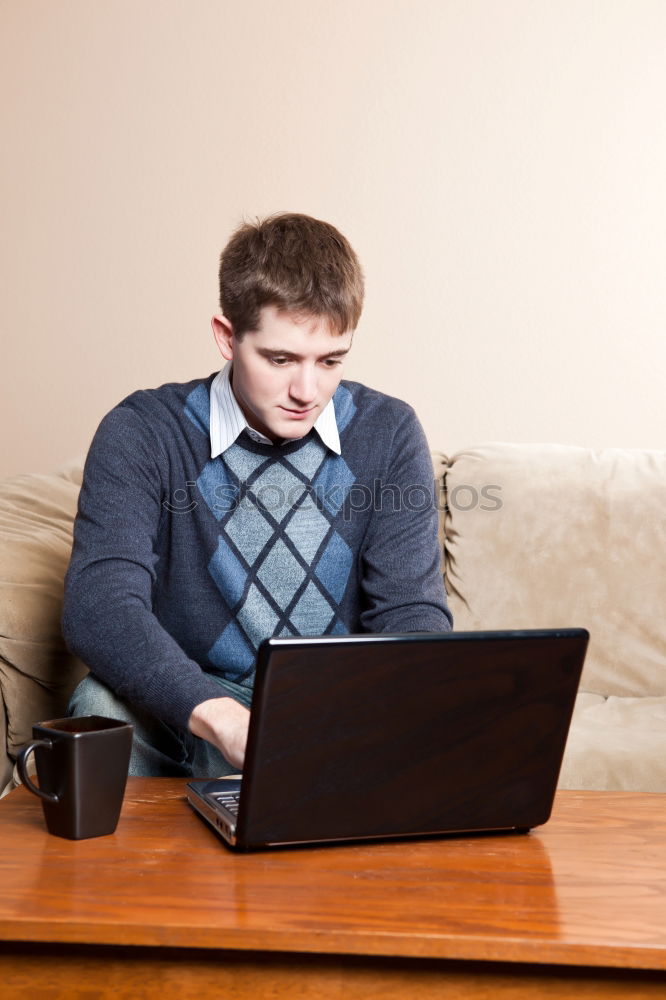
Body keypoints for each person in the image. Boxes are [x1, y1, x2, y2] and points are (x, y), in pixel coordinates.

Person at [62, 212, 453, 776]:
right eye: (280, 359)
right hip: (197, 708)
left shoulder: (387, 431)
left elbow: (410, 612)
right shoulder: (143, 431)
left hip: (338, 712)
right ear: (226, 337)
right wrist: (216, 714)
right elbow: (99, 605)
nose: (307, 390)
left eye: (331, 361)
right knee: (100, 710)